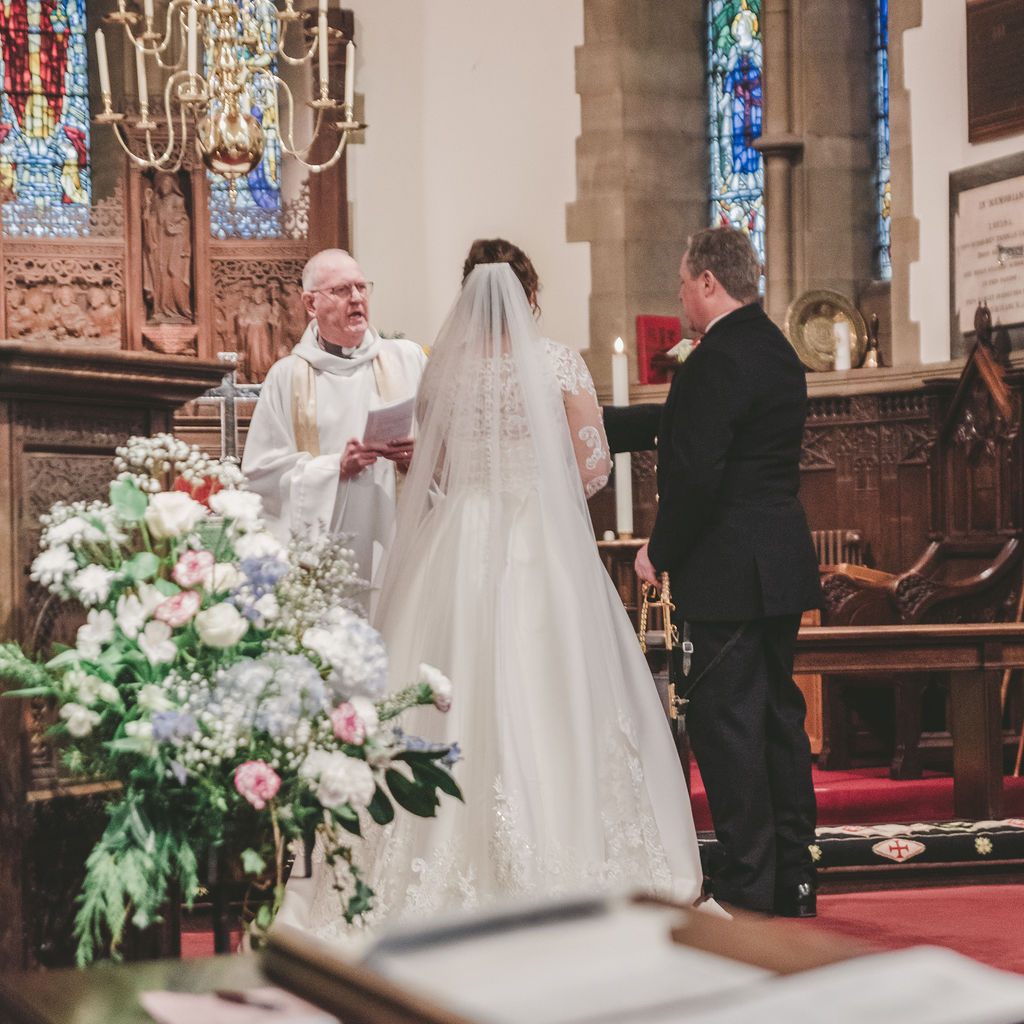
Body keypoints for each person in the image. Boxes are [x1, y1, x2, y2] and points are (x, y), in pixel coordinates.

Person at [285, 238, 713, 940]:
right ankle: (569, 850)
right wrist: (548, 489)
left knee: (455, 682)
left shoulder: (442, 369)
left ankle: (428, 858)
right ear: (530, 292)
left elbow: (435, 468)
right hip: (537, 538)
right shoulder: (555, 361)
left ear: (467, 295)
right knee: (553, 685)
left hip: (462, 534)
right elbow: (594, 463)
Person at [604, 226, 821, 918]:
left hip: (725, 571)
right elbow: (693, 433)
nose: (679, 298)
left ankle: (747, 891)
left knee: (729, 728)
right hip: (779, 564)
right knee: (780, 723)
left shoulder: (710, 361)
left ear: (707, 282)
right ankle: (795, 881)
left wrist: (657, 552)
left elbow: (695, 478)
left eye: (680, 285)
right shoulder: (777, 350)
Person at [242, 249, 426, 595]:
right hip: (330, 541)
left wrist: (421, 457)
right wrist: (334, 468)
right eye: (342, 290)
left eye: (361, 287)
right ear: (311, 305)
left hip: (398, 534)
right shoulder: (286, 377)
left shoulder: (408, 358)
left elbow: (449, 441)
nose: (356, 299)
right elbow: (261, 473)